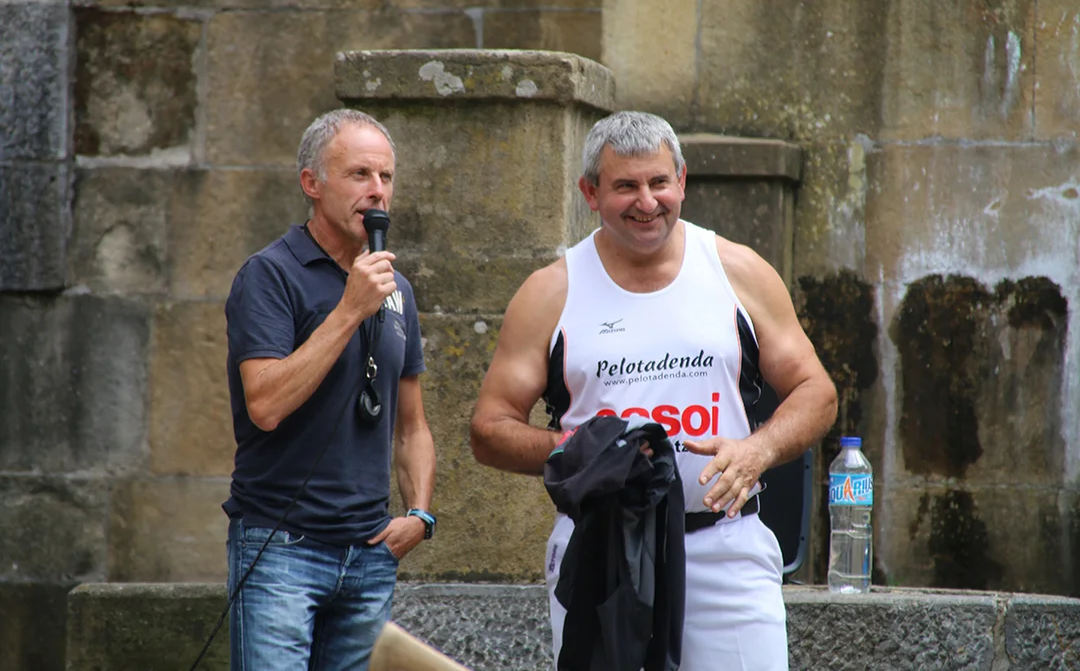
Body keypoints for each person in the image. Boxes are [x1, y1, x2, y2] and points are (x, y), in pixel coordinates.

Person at [469, 111, 838, 670]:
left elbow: (817, 390)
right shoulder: (551, 292)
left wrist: (757, 450)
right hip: (601, 549)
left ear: (681, 181)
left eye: (659, 182)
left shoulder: (737, 271)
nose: (647, 202)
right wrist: (583, 451)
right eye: (625, 186)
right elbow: (488, 430)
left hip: (724, 545)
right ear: (590, 193)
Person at [223, 108, 437, 671]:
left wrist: (419, 515)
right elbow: (265, 404)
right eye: (360, 174)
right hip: (281, 550)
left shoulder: (396, 289)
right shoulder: (270, 274)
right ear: (312, 183)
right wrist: (349, 310)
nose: (377, 191)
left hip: (370, 556)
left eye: (386, 177)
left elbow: (411, 425)